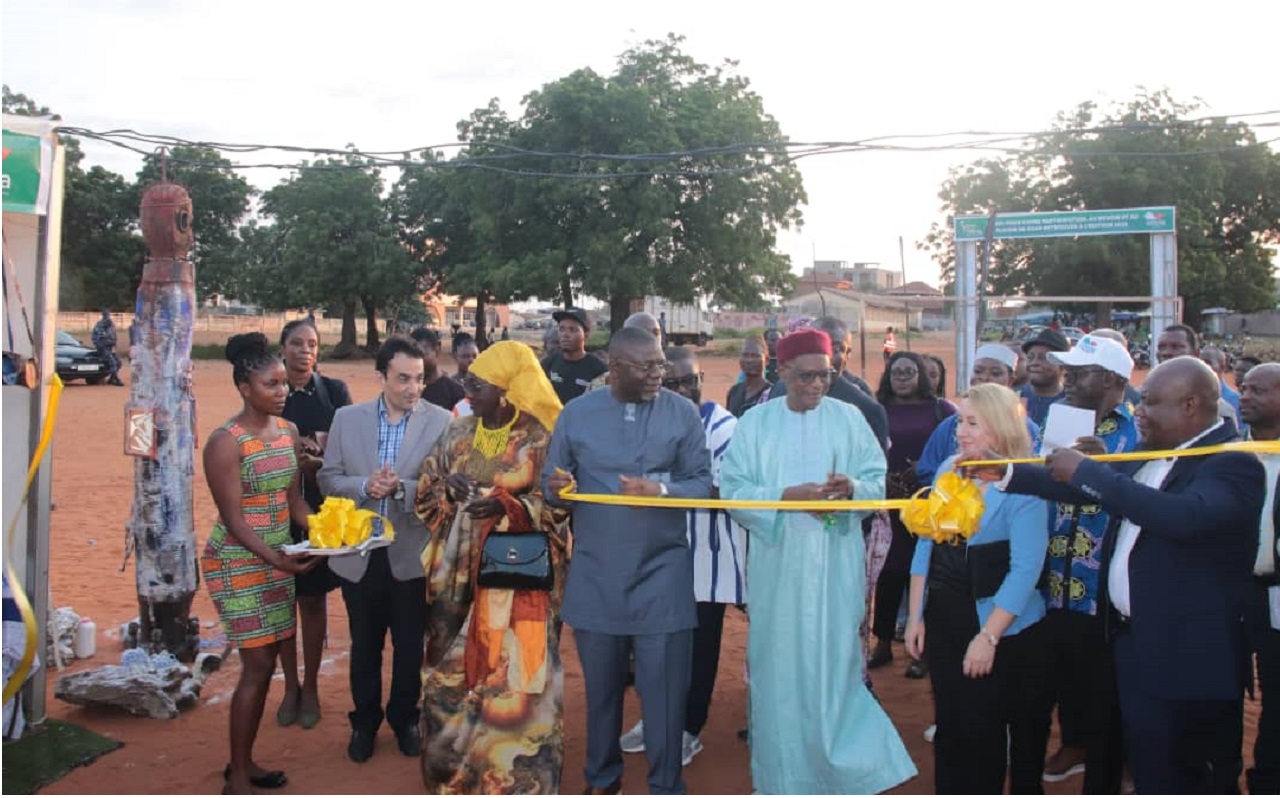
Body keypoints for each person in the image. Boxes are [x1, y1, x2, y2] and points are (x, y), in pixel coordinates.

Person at [993, 357, 1264, 793]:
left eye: (1152, 402)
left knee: (1190, 774)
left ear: (1191, 405)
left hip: (1189, 659)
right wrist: (1002, 473)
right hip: (1137, 645)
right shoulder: (1156, 452)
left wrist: (1088, 470)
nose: (1139, 410)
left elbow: (1181, 517)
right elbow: (1079, 486)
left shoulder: (1230, 464)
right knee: (1151, 765)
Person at [720, 328, 916, 794]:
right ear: (781, 371)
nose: (816, 386)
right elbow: (733, 492)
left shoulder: (849, 419)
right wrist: (787, 498)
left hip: (835, 563)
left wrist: (850, 490)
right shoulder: (754, 424)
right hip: (779, 564)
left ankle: (840, 770)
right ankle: (785, 776)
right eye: (805, 376)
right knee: (779, 670)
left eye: (824, 376)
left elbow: (876, 481)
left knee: (836, 664)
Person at [543, 327, 712, 795]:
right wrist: (556, 490)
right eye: (648, 366)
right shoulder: (576, 415)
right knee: (601, 697)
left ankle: (665, 783)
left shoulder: (683, 414)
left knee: (664, 698)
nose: (661, 373)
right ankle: (601, 780)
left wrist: (659, 490)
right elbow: (551, 486)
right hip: (597, 576)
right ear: (614, 369)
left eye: (661, 364)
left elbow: (701, 484)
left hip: (663, 577)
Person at [414, 341, 570, 794]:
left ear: (504, 391)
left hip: (517, 585)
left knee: (517, 678)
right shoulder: (457, 432)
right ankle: (455, 778)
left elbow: (560, 508)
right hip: (454, 589)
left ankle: (517, 781)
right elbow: (424, 497)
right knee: (449, 678)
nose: (467, 390)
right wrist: (448, 487)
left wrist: (507, 506)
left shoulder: (541, 439)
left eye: (476, 384)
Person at [905, 383, 1051, 795]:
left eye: (972, 423)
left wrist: (988, 637)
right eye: (959, 422)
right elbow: (927, 542)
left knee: (988, 732)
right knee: (953, 725)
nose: (960, 432)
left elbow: (1025, 569)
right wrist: (917, 615)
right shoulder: (950, 467)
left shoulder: (1024, 481)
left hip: (1002, 625)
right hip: (947, 614)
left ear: (1000, 427)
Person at [319, 335, 453, 763]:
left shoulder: (441, 422)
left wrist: (401, 490)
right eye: (403, 379)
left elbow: (446, 486)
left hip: (411, 552)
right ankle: (364, 722)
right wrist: (363, 486)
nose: (413, 388)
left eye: (419, 379)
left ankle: (404, 719)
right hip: (359, 553)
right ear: (381, 377)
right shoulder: (347, 418)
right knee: (364, 645)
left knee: (411, 645)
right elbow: (327, 478)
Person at [618, 347, 748, 766]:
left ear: (701, 380)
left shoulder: (725, 426)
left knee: (699, 649)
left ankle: (689, 728)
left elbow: (726, 491)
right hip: (655, 556)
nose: (682, 389)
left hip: (708, 560)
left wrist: (662, 487)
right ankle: (656, 719)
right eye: (672, 381)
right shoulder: (645, 422)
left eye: (689, 380)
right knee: (653, 648)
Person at [201, 333, 318, 794]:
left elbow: (294, 504)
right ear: (244, 388)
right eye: (270, 385)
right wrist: (278, 560)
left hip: (276, 557)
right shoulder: (224, 443)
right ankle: (239, 774)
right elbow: (234, 522)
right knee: (257, 664)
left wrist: (332, 534)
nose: (281, 392)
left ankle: (243, 763)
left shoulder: (287, 433)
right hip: (237, 562)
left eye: (283, 384)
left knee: (266, 664)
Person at [1034, 334, 1137, 790]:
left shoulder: (1137, 433)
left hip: (1105, 587)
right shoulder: (1061, 420)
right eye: (1068, 370)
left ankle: (1108, 766)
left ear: (1113, 380)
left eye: (1082, 372)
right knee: (1064, 668)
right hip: (1055, 576)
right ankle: (1074, 741)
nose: (1069, 378)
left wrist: (1104, 468)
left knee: (1106, 684)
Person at [275, 318, 353, 730]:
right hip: (274, 512)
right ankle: (289, 685)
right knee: (281, 602)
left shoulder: (335, 394)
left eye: (312, 344)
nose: (305, 350)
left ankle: (311, 687)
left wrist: (318, 463)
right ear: (283, 348)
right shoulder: (272, 393)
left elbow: (346, 448)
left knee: (311, 600)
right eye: (297, 343)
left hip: (319, 510)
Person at [868, 351, 956, 677]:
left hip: (928, 502)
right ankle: (882, 643)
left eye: (909, 371)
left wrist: (923, 470)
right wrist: (882, 480)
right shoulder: (878, 410)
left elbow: (955, 450)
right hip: (888, 502)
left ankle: (922, 650)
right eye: (896, 371)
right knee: (889, 574)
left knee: (924, 575)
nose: (902, 377)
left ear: (920, 374)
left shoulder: (941, 410)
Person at [1237, 363, 1280, 795]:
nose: (1246, 396)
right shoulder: (1228, 452)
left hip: (1278, 598)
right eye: (1243, 389)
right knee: (1227, 687)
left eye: (1259, 391)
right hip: (1233, 593)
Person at [915, 344, 1040, 486]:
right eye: (978, 371)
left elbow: (1034, 474)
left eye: (995, 373)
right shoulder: (950, 425)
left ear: (1010, 380)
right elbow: (927, 470)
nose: (985, 377)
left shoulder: (1024, 427)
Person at [768, 318, 887, 450]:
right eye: (816, 347)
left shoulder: (867, 409)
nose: (825, 357)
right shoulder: (779, 391)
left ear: (848, 353)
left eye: (835, 348)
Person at [1157, 323, 1239, 430]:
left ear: (1195, 353)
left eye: (1176, 347)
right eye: (1161, 347)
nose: (1166, 353)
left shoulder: (1219, 412)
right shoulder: (1141, 399)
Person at [541, 308, 607, 405]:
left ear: (586, 335)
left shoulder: (598, 370)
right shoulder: (549, 363)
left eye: (573, 330)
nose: (565, 334)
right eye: (561, 329)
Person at [1019, 328, 1069, 428]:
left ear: (1063, 365)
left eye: (1044, 358)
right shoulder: (1014, 398)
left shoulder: (1072, 403)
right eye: (1030, 357)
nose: (1034, 363)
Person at [410, 327, 467, 412]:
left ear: (437, 352)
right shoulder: (406, 391)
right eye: (412, 356)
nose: (416, 361)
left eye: (421, 355)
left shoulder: (455, 393)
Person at [725, 335, 771, 418]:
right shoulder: (734, 392)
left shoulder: (771, 394)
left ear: (767, 360)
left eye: (755, 356)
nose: (749, 360)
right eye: (745, 355)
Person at [91, 309, 124, 386]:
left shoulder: (111, 324)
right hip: (104, 348)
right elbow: (97, 338)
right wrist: (105, 344)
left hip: (111, 347)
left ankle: (111, 379)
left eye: (108, 314)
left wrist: (114, 344)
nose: (107, 316)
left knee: (118, 363)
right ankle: (116, 379)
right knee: (113, 363)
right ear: (103, 315)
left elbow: (114, 335)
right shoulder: (100, 325)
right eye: (106, 314)